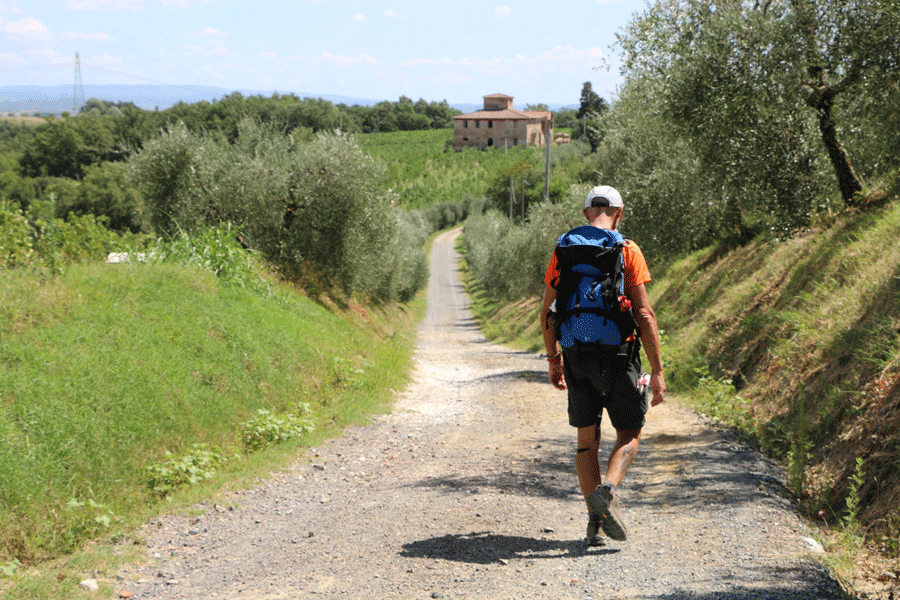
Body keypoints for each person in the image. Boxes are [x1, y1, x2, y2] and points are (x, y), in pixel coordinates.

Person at [539, 184, 666, 546]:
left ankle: (593, 524)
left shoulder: (562, 249)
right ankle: (607, 492)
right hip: (619, 355)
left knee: (585, 443)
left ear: (585, 214)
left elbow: (546, 312)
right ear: (620, 212)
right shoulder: (627, 249)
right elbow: (643, 312)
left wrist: (554, 359)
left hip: (576, 354)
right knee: (629, 432)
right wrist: (656, 370)